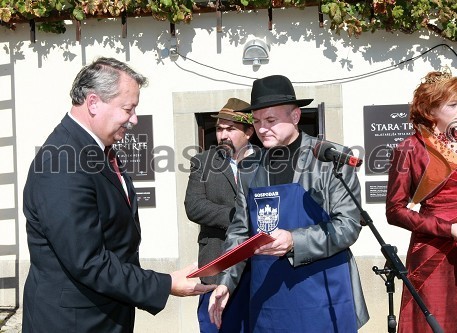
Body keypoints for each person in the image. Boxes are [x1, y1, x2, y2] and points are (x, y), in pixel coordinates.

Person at [22, 57, 215, 333]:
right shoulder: (61, 162)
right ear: (93, 103)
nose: (134, 119)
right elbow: (87, 262)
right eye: (128, 108)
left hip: (104, 315)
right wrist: (166, 283)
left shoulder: (96, 151)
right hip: (74, 323)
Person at [208, 75, 369, 332]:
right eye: (257, 121)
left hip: (322, 291)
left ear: (295, 116)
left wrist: (294, 240)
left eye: (271, 120)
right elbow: (239, 232)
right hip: (269, 295)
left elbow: (348, 225)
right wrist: (225, 281)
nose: (262, 129)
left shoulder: (330, 160)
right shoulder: (249, 168)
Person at [385, 68, 457, 332]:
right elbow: (395, 211)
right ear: (430, 110)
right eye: (453, 104)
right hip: (433, 252)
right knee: (436, 322)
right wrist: (448, 229)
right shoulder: (409, 148)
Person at [184, 98, 255, 332]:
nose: (222, 135)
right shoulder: (202, 162)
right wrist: (241, 218)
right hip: (215, 268)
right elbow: (194, 206)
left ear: (249, 131)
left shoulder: (265, 162)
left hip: (258, 270)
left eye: (230, 129)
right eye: (219, 129)